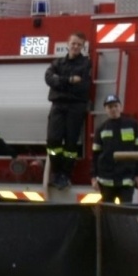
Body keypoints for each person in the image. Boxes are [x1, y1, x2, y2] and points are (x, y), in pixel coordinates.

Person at [44, 31, 92, 189]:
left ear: (83, 47)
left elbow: (82, 86)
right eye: (73, 43)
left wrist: (60, 82)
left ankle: (65, 174)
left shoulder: (85, 64)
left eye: (79, 44)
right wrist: (70, 80)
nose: (76, 47)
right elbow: (49, 78)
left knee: (71, 144)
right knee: (53, 141)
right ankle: (57, 171)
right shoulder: (57, 62)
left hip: (75, 107)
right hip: (57, 105)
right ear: (68, 44)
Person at [92, 94, 138, 204]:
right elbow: (95, 154)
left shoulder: (132, 125)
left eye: (116, 106)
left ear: (121, 107)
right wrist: (93, 177)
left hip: (127, 178)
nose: (113, 109)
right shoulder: (101, 128)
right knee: (107, 213)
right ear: (105, 110)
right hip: (106, 180)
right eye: (110, 107)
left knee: (126, 212)